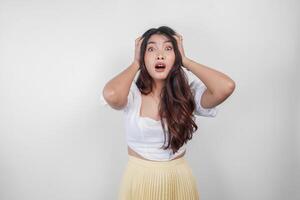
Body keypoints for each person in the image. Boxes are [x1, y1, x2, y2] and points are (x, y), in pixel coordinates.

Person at [101, 26, 235, 200]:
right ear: (143, 57)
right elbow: (111, 94)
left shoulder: (188, 94)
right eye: (151, 49)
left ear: (175, 56)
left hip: (179, 181)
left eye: (168, 48)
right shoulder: (132, 94)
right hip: (140, 181)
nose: (160, 54)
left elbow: (226, 87)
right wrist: (135, 64)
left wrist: (185, 61)